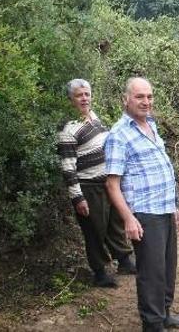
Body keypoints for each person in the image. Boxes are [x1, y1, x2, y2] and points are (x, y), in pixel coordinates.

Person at [104, 77, 179, 331]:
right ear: (126, 99)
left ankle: (164, 314)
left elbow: (161, 170)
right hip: (145, 214)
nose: (146, 101)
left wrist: (173, 204)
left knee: (167, 268)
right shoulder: (119, 135)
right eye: (140, 96)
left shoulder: (150, 125)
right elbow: (112, 184)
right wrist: (129, 218)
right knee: (151, 273)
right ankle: (152, 324)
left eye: (149, 96)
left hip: (164, 209)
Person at [57, 79, 136, 288]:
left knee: (115, 223)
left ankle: (125, 261)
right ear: (70, 99)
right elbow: (67, 166)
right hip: (88, 187)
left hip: (107, 182)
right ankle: (100, 272)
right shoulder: (68, 128)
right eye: (79, 95)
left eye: (87, 94)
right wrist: (77, 197)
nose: (84, 98)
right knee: (94, 230)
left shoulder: (93, 117)